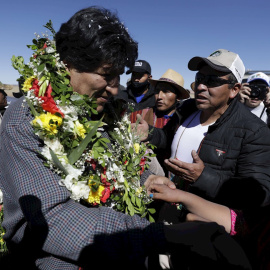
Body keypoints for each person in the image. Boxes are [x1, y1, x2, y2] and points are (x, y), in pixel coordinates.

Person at [0, 9, 251, 270]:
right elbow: (53, 219)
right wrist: (162, 236)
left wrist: (145, 179)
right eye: (106, 74)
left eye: (118, 75)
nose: (114, 86)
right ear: (68, 64)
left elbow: (113, 168)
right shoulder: (30, 119)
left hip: (119, 246)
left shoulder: (104, 111)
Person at [130, 69, 190, 176]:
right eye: (157, 91)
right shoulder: (138, 116)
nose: (159, 97)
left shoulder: (186, 121)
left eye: (166, 91)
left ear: (178, 97)